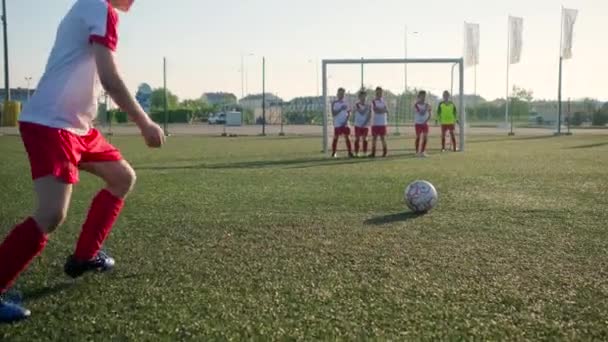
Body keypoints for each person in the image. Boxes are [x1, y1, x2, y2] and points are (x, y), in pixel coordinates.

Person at [0, 0, 165, 323]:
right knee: (51, 214)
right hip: (52, 123)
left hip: (77, 127)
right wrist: (145, 123)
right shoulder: (100, 8)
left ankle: (85, 256)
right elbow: (110, 78)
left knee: (122, 177)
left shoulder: (92, 7)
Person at [331, 88, 354, 158]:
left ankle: (350, 153)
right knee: (336, 138)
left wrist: (346, 121)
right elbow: (333, 113)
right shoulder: (334, 103)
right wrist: (340, 108)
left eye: (343, 94)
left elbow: (349, 113)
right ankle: (334, 153)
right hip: (337, 124)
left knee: (347, 138)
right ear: (337, 94)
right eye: (340, 93)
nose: (341, 95)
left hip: (345, 123)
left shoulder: (346, 103)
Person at [370, 87, 389, 158]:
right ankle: (373, 153)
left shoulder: (384, 102)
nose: (379, 94)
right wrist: (382, 110)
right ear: (375, 92)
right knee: (374, 138)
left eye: (380, 92)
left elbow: (386, 110)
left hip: (382, 123)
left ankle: (385, 152)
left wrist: (381, 110)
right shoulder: (373, 101)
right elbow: (375, 110)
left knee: (382, 138)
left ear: (382, 93)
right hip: (375, 123)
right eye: (377, 92)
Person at [353, 89, 371, 157]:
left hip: (365, 125)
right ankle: (356, 153)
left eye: (365, 96)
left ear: (366, 97)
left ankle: (365, 152)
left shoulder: (368, 105)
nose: (363, 98)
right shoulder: (357, 105)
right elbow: (361, 112)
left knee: (365, 138)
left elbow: (369, 116)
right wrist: (366, 108)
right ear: (359, 97)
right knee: (357, 138)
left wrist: (365, 123)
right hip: (357, 125)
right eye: (362, 96)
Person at [414, 91, 431, 157]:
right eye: (422, 96)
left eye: (424, 96)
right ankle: (417, 152)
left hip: (425, 124)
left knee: (425, 137)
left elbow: (430, 114)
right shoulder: (416, 105)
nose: (423, 97)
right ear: (419, 96)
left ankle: (423, 151)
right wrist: (426, 107)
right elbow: (422, 112)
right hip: (418, 124)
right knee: (418, 137)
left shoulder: (427, 105)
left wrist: (426, 121)